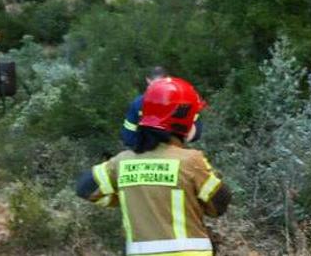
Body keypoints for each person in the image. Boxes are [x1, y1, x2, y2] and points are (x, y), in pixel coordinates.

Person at [78, 76, 231, 256]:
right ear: (184, 120)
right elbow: (218, 205)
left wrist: (130, 196)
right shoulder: (190, 161)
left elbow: (84, 188)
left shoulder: (121, 162)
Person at [122, 66, 201, 149]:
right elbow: (195, 132)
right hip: (174, 151)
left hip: (144, 151)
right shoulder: (181, 101)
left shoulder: (138, 103)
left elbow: (128, 137)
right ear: (168, 79)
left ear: (148, 80)